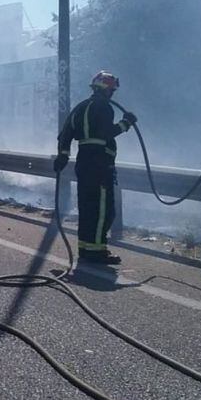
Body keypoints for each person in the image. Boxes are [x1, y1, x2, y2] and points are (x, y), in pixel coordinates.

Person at [54, 71, 137, 265]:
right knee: (103, 209)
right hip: (100, 164)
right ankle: (97, 251)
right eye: (112, 91)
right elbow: (106, 132)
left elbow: (65, 134)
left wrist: (63, 156)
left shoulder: (80, 108)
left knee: (87, 207)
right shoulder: (104, 108)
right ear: (107, 90)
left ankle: (85, 248)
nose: (112, 95)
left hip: (84, 163)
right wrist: (126, 123)